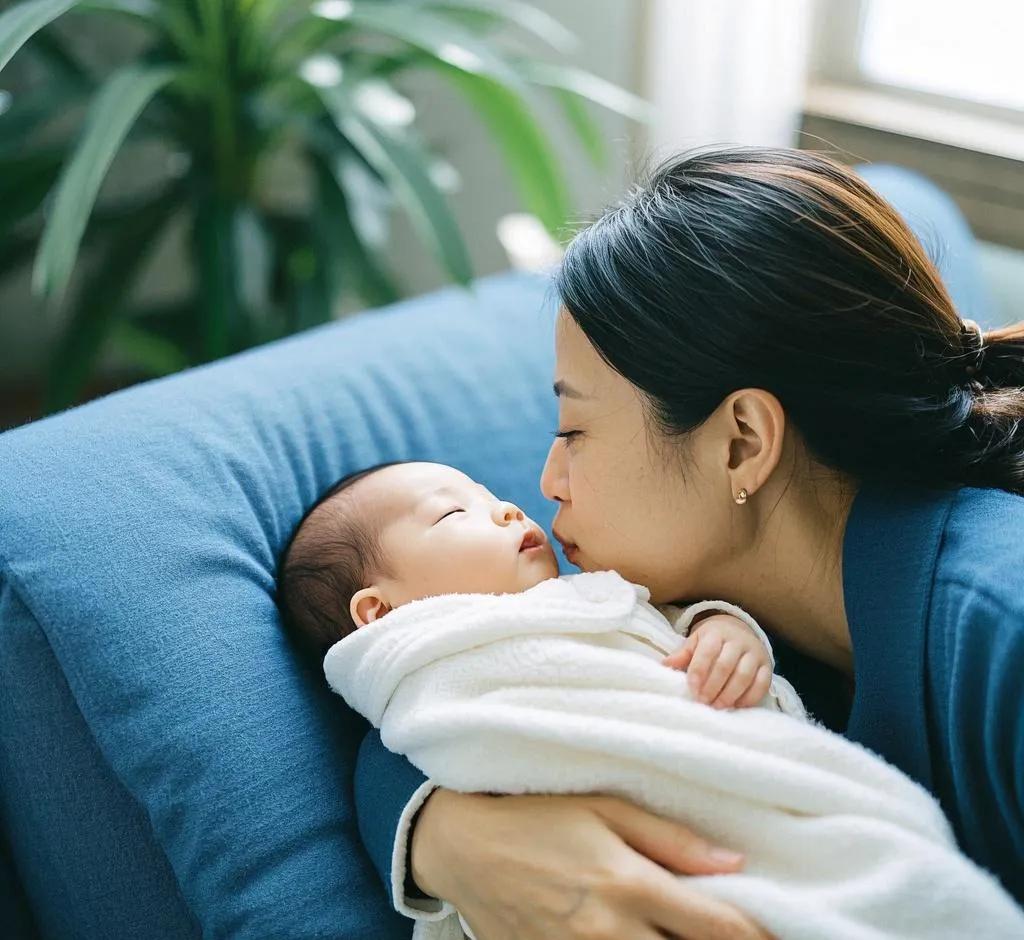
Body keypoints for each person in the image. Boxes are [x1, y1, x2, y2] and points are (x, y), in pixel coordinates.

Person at [355, 148, 1024, 939]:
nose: (546, 482)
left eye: (575, 430)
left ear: (741, 441)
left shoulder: (1000, 639)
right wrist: (445, 838)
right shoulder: (733, 615)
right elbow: (428, 676)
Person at [277, 460, 779, 712]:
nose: (507, 508)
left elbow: (665, 620)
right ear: (380, 614)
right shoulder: (428, 688)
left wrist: (720, 627)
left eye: (488, 494)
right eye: (454, 511)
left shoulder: (591, 593)